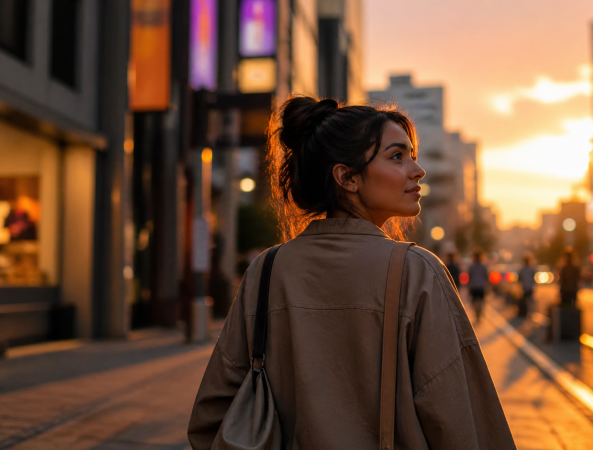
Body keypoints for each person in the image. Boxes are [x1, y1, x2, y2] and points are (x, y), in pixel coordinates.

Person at [188, 97, 515, 449]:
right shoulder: (416, 272)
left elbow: (210, 416)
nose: (417, 170)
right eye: (397, 156)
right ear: (347, 177)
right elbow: (460, 421)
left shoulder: (266, 271)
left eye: (412, 156)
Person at [467, 248, 488, 323]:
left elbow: (469, 277)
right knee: (481, 301)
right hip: (481, 286)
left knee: (474, 301)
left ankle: (477, 314)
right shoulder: (483, 266)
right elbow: (486, 277)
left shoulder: (471, 266)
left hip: (473, 286)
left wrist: (468, 287)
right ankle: (479, 314)